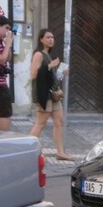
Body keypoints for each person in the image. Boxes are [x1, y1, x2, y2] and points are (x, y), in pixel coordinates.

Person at [28, 28, 74, 161]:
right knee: (40, 123)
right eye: (48, 37)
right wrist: (49, 66)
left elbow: (51, 77)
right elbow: (33, 74)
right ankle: (28, 151)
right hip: (43, 94)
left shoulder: (48, 55)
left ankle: (60, 152)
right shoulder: (39, 55)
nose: (51, 39)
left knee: (59, 121)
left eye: (52, 37)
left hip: (53, 94)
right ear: (41, 39)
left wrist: (60, 71)